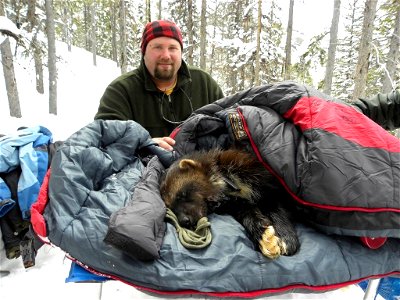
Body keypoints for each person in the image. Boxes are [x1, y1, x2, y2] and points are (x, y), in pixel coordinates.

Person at [94, 20, 224, 150]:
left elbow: (225, 125)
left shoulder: (203, 83)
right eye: (157, 47)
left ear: (180, 52)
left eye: (172, 48)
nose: (166, 55)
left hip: (198, 167)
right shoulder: (121, 91)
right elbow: (103, 140)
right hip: (143, 168)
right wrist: (144, 143)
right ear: (144, 52)